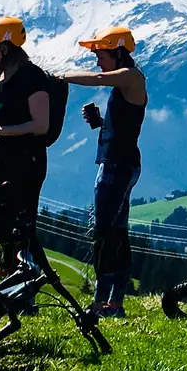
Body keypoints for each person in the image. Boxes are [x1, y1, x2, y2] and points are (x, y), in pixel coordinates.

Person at [62, 26, 147, 318]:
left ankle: (102, 302)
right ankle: (114, 301)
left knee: (104, 234)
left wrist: (62, 75)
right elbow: (126, 127)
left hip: (116, 166)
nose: (98, 60)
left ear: (118, 52)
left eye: (101, 54)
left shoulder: (131, 77)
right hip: (120, 163)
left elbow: (98, 78)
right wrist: (101, 123)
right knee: (116, 233)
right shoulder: (126, 83)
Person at [0, 15, 53, 275]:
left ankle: (26, 286)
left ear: (5, 47)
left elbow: (41, 125)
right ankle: (5, 278)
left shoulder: (31, 77)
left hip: (25, 161)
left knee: (20, 228)